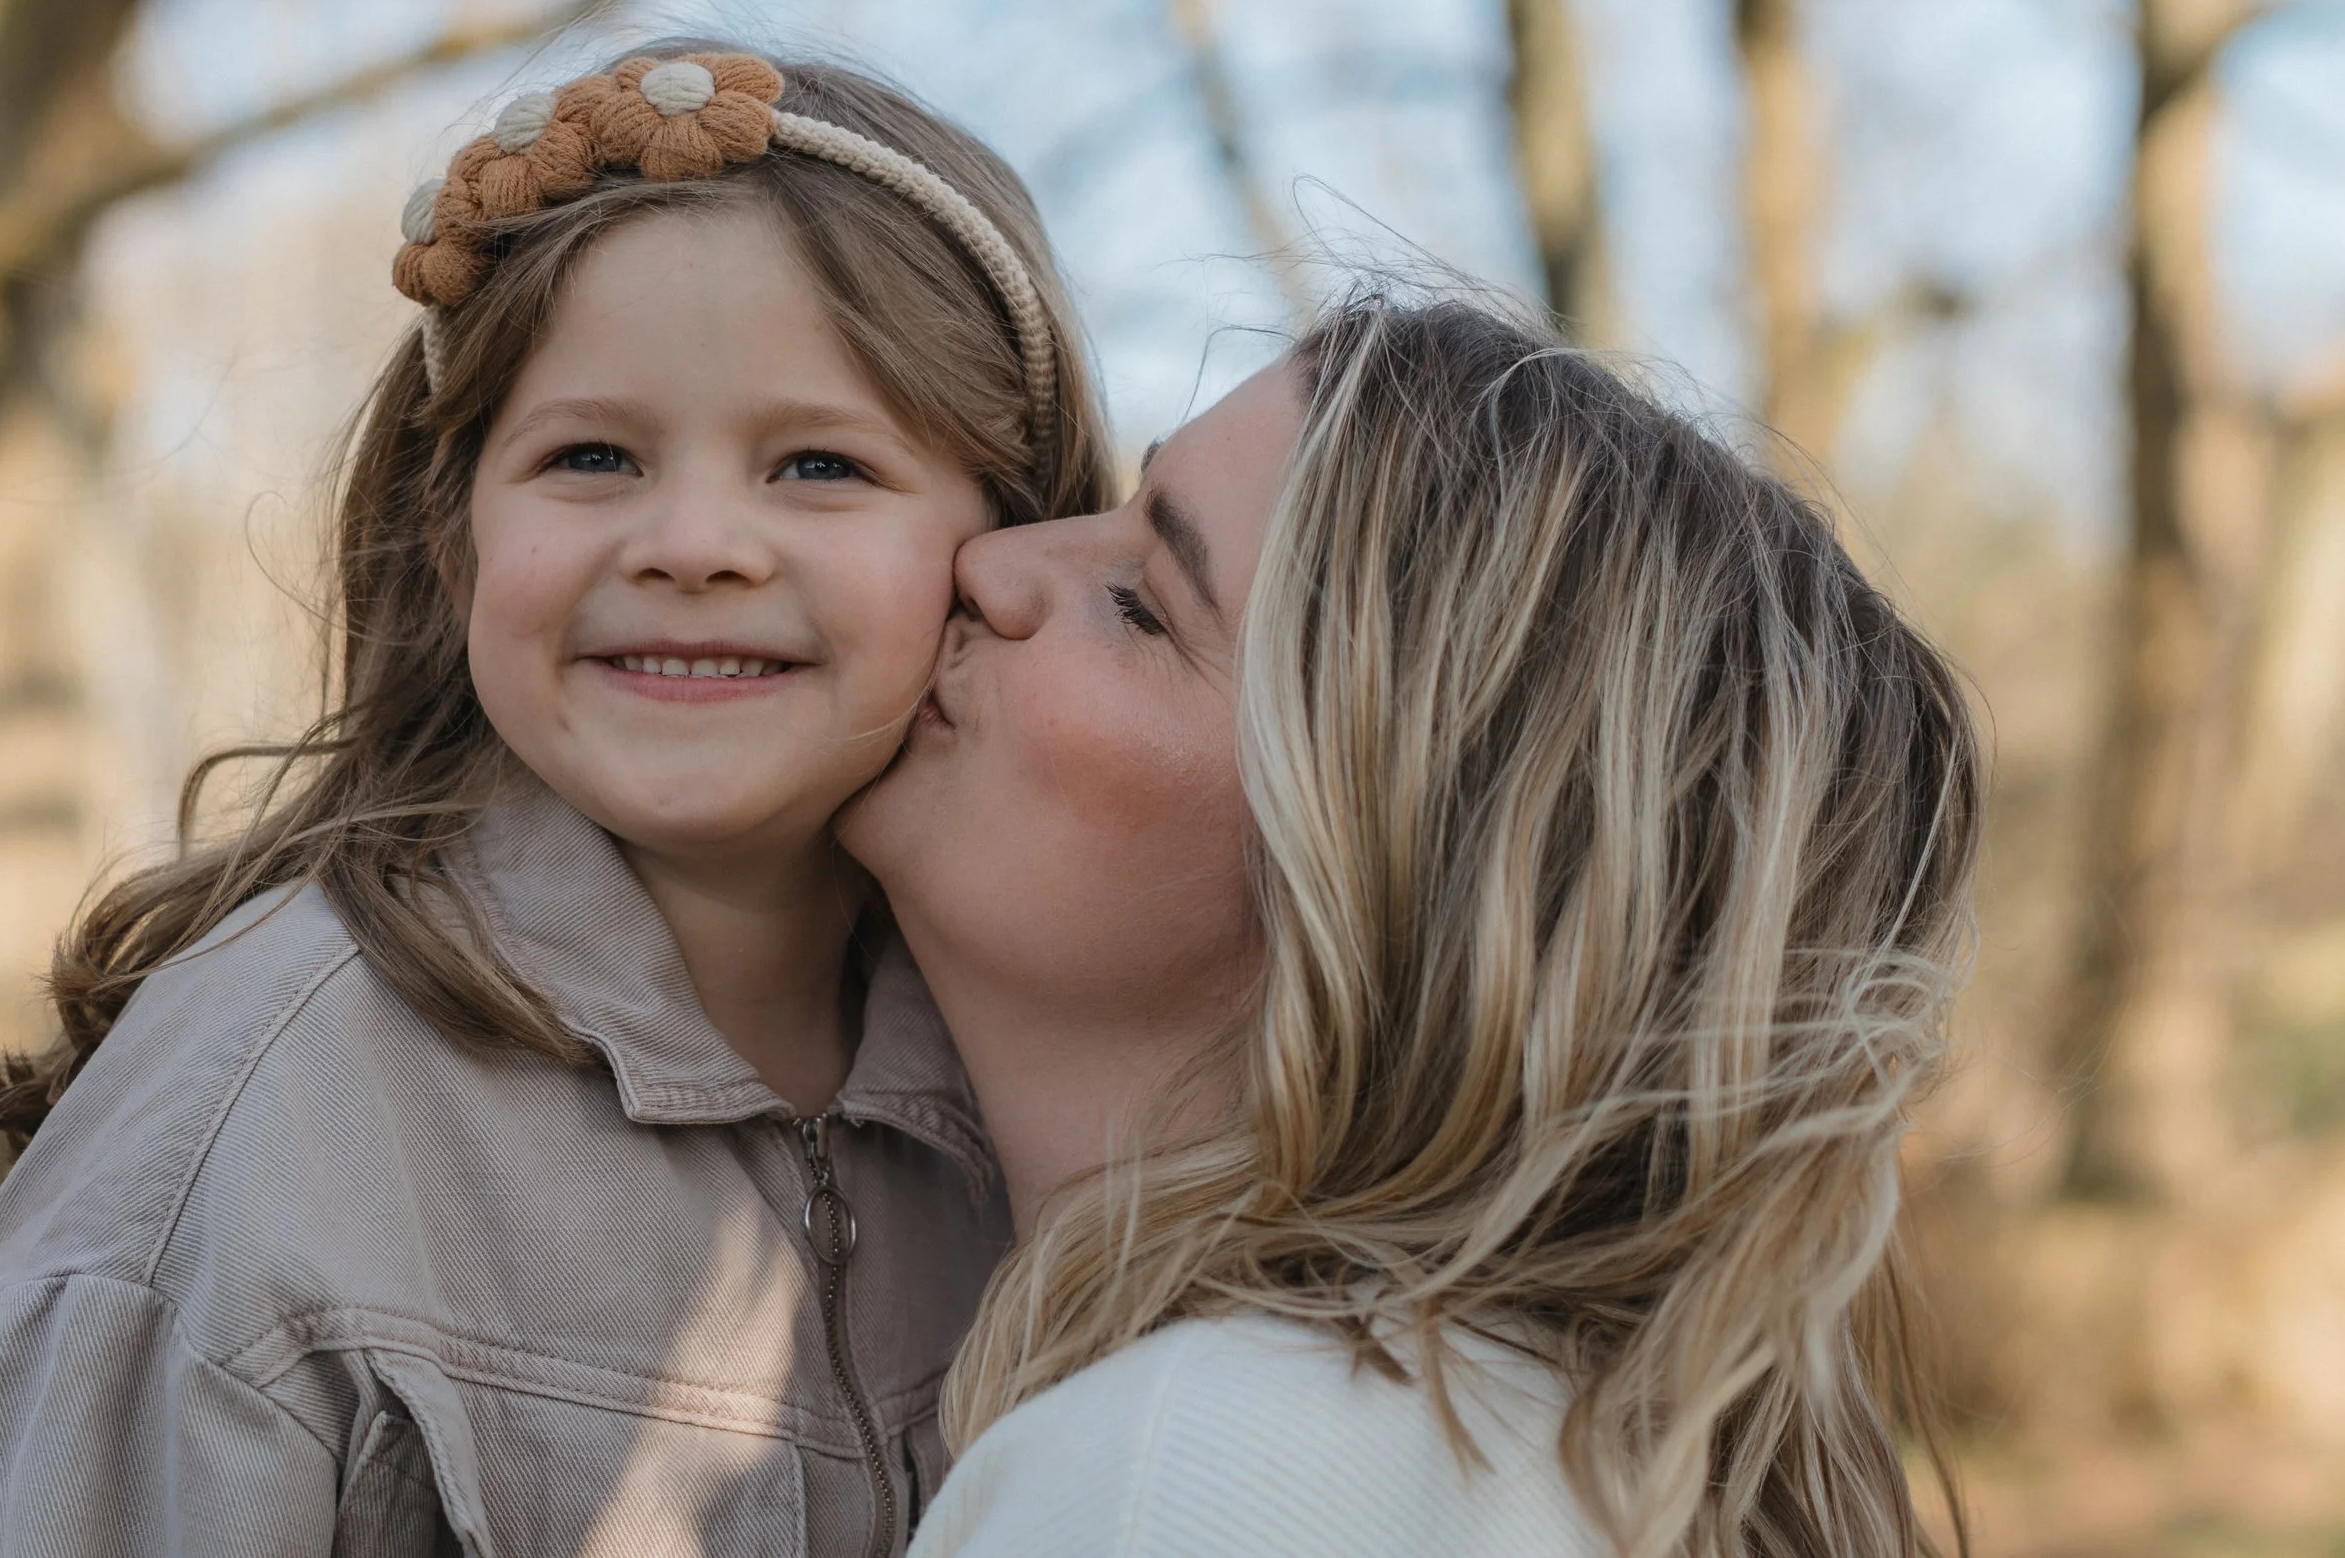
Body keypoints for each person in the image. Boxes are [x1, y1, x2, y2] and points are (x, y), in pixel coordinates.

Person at [0, 44, 1109, 1557]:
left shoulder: (1046, 1089)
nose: (694, 540)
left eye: (821, 464)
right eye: (591, 455)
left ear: (1010, 544)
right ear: (452, 542)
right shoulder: (265, 1114)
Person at [842, 289, 1984, 1558]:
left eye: (1143, 605)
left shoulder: (1194, 1472)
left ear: (1392, 895)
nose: (991, 561)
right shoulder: (1525, 1455)